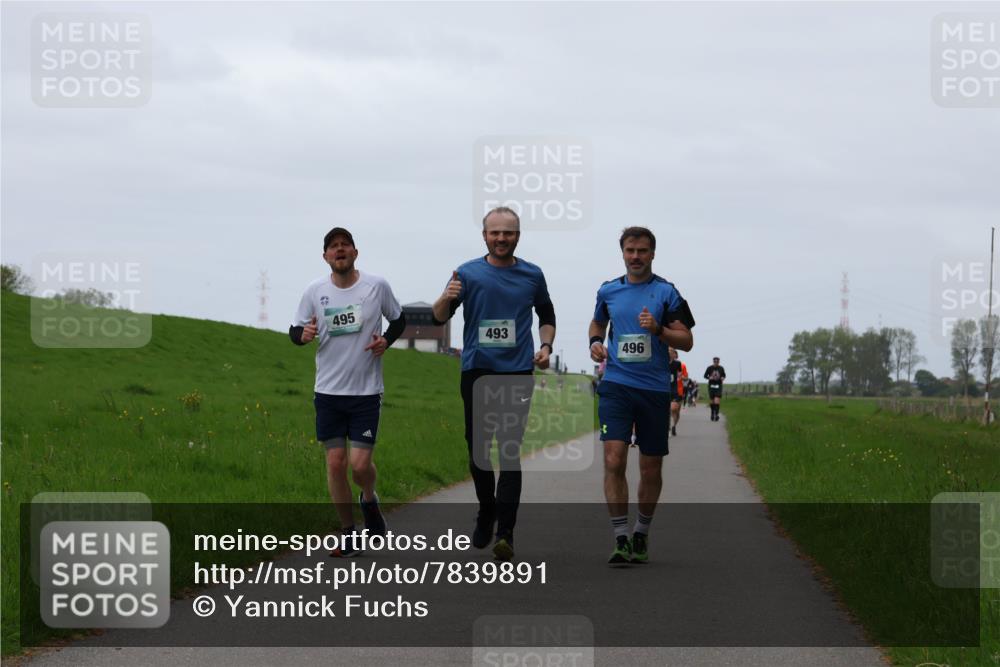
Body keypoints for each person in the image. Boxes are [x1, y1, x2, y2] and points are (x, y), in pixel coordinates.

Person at [432, 206, 555, 561]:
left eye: (509, 232)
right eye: (495, 232)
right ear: (485, 235)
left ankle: (506, 533)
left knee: (509, 451)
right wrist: (445, 296)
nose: (502, 238)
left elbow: (546, 315)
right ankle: (487, 509)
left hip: (516, 372)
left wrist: (545, 346)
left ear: (518, 235)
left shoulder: (533, 275)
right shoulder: (467, 273)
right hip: (477, 371)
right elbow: (441, 316)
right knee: (478, 451)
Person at [290, 227, 406, 557]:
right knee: (336, 463)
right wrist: (304, 335)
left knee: (358, 466)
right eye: (333, 247)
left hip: (366, 392)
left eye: (345, 245)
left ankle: (369, 498)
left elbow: (398, 320)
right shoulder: (315, 291)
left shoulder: (376, 286)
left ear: (355, 252)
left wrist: (387, 340)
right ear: (326, 257)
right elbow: (295, 330)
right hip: (327, 391)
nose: (339, 250)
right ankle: (348, 532)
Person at [589, 227, 695, 565]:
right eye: (630, 250)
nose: (636, 256)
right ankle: (620, 537)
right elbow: (597, 325)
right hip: (616, 386)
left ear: (652, 254)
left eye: (643, 251)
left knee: (650, 468)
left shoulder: (667, 293)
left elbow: (687, 340)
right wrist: (593, 342)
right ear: (622, 252)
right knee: (613, 459)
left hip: (652, 390)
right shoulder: (608, 290)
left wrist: (659, 331)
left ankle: (641, 533)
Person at [668, 348, 688, 436]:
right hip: (665, 389)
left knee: (675, 410)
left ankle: (673, 425)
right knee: (668, 410)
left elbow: (685, 377)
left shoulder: (681, 365)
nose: (670, 353)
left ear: (675, 355)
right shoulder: (662, 363)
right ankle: (668, 425)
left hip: (678, 390)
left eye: (672, 352)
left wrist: (681, 377)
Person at [704, 357, 727, 421]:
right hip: (711, 385)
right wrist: (709, 378)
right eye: (715, 361)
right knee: (712, 401)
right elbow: (705, 376)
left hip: (718, 385)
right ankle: (712, 413)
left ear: (719, 362)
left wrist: (723, 377)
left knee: (717, 401)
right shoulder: (709, 368)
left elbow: (724, 375)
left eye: (717, 361)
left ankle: (716, 414)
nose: (716, 362)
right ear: (713, 361)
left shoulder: (721, 368)